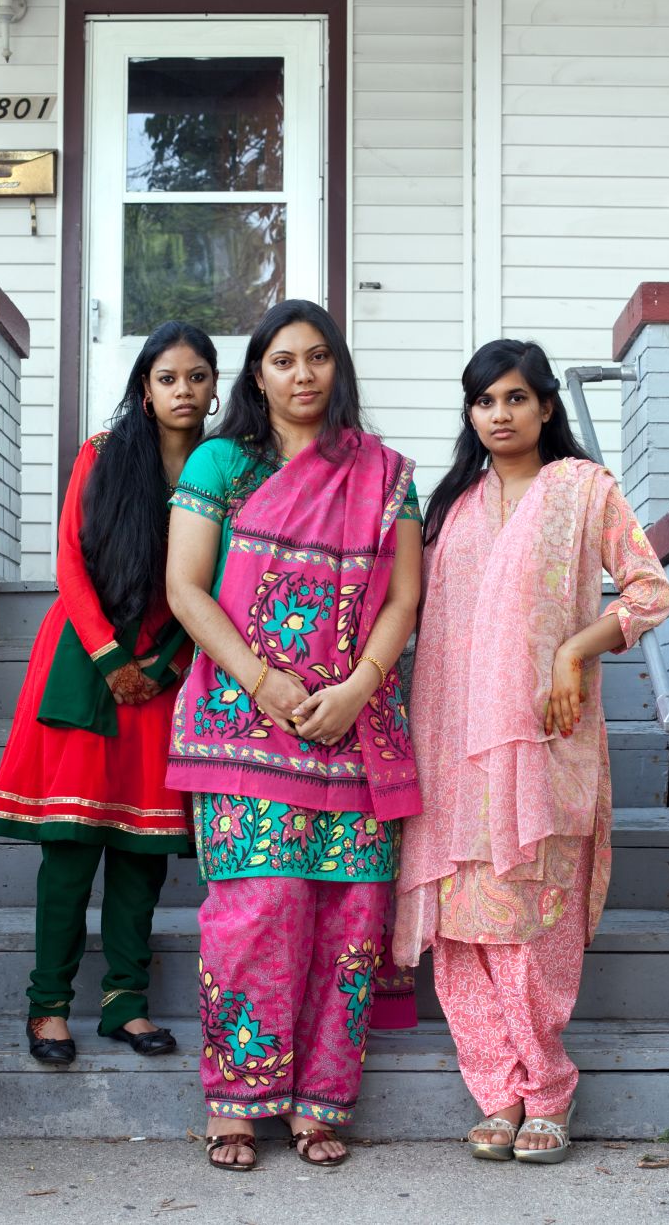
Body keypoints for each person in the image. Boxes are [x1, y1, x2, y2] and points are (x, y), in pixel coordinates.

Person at [393, 339, 669, 1164]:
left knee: (531, 915)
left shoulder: (585, 489)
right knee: (462, 926)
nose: (499, 415)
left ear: (547, 406)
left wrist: (572, 651)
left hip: (544, 730)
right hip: (449, 737)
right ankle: (497, 1093)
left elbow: (649, 591)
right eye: (484, 401)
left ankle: (547, 1090)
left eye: (516, 398)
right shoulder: (450, 506)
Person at [165, 299, 423, 1171]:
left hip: (354, 728)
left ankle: (320, 1105)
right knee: (257, 910)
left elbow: (403, 599)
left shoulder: (384, 475)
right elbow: (185, 589)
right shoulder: (222, 464)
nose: (303, 375)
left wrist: (359, 688)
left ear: (337, 367)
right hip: (246, 723)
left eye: (318, 357)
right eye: (283, 360)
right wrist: (263, 680)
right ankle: (236, 1104)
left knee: (351, 922)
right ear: (258, 374)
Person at [0, 321, 219, 1066]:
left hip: (166, 670)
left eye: (198, 377)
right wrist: (111, 656)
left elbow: (219, 584)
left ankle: (125, 1003)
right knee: (71, 844)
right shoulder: (103, 453)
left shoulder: (224, 470)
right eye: (168, 378)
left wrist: (167, 663)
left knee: (144, 847)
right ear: (145, 389)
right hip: (85, 660)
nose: (184, 390)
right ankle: (48, 1006)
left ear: (216, 387)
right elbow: (70, 560)